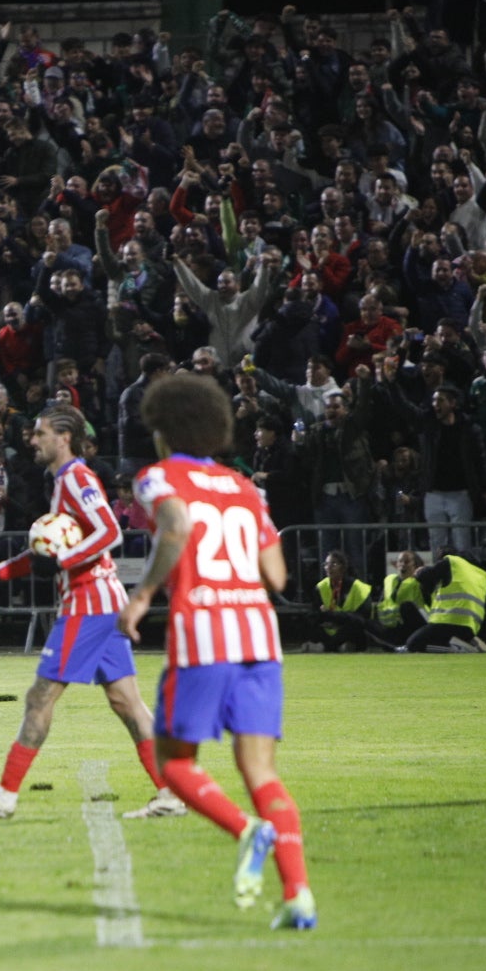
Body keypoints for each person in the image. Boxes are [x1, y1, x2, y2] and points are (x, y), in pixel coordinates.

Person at [117, 373, 314, 931]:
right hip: (259, 638)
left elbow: (176, 527)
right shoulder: (245, 486)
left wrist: (143, 594)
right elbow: (276, 574)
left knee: (174, 764)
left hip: (202, 637)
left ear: (162, 429)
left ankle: (248, 830)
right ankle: (298, 894)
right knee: (261, 772)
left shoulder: (156, 477)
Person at [0, 406, 179, 821]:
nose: (32, 440)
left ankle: (5, 794)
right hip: (102, 602)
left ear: (63, 437)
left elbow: (109, 530)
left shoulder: (76, 477)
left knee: (41, 696)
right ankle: (170, 792)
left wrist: (65, 560)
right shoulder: (62, 481)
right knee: (127, 702)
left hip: (88, 604)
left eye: (39, 433)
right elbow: (49, 552)